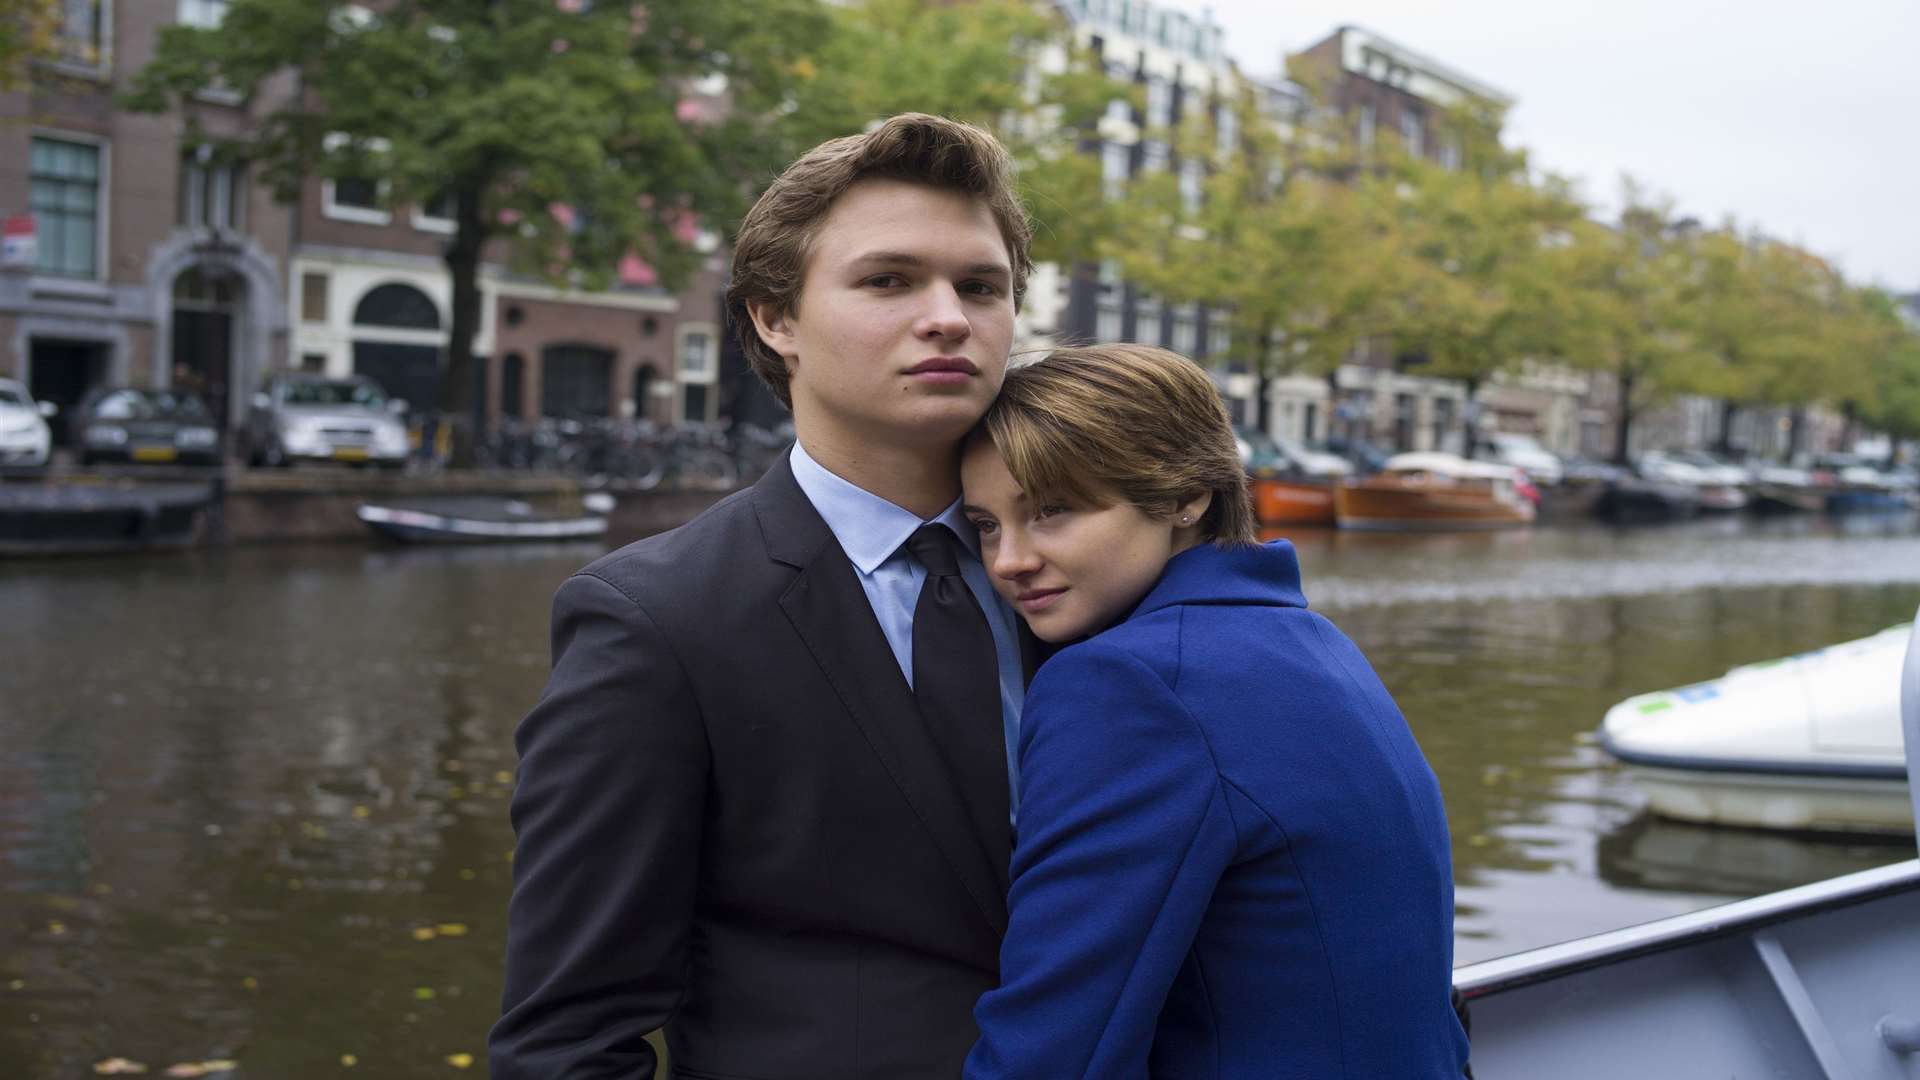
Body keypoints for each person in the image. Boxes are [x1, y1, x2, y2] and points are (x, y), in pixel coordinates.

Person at [489, 114, 1034, 1079]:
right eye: (889, 280)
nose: (950, 315)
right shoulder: (658, 623)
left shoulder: (1099, 579)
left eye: (981, 286)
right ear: (771, 320)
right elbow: (567, 1037)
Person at [958, 344, 1468, 1078]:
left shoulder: (1129, 685)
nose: (1009, 560)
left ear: (1185, 496)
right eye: (986, 525)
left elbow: (1061, 1043)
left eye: (1053, 511)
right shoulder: (1314, 643)